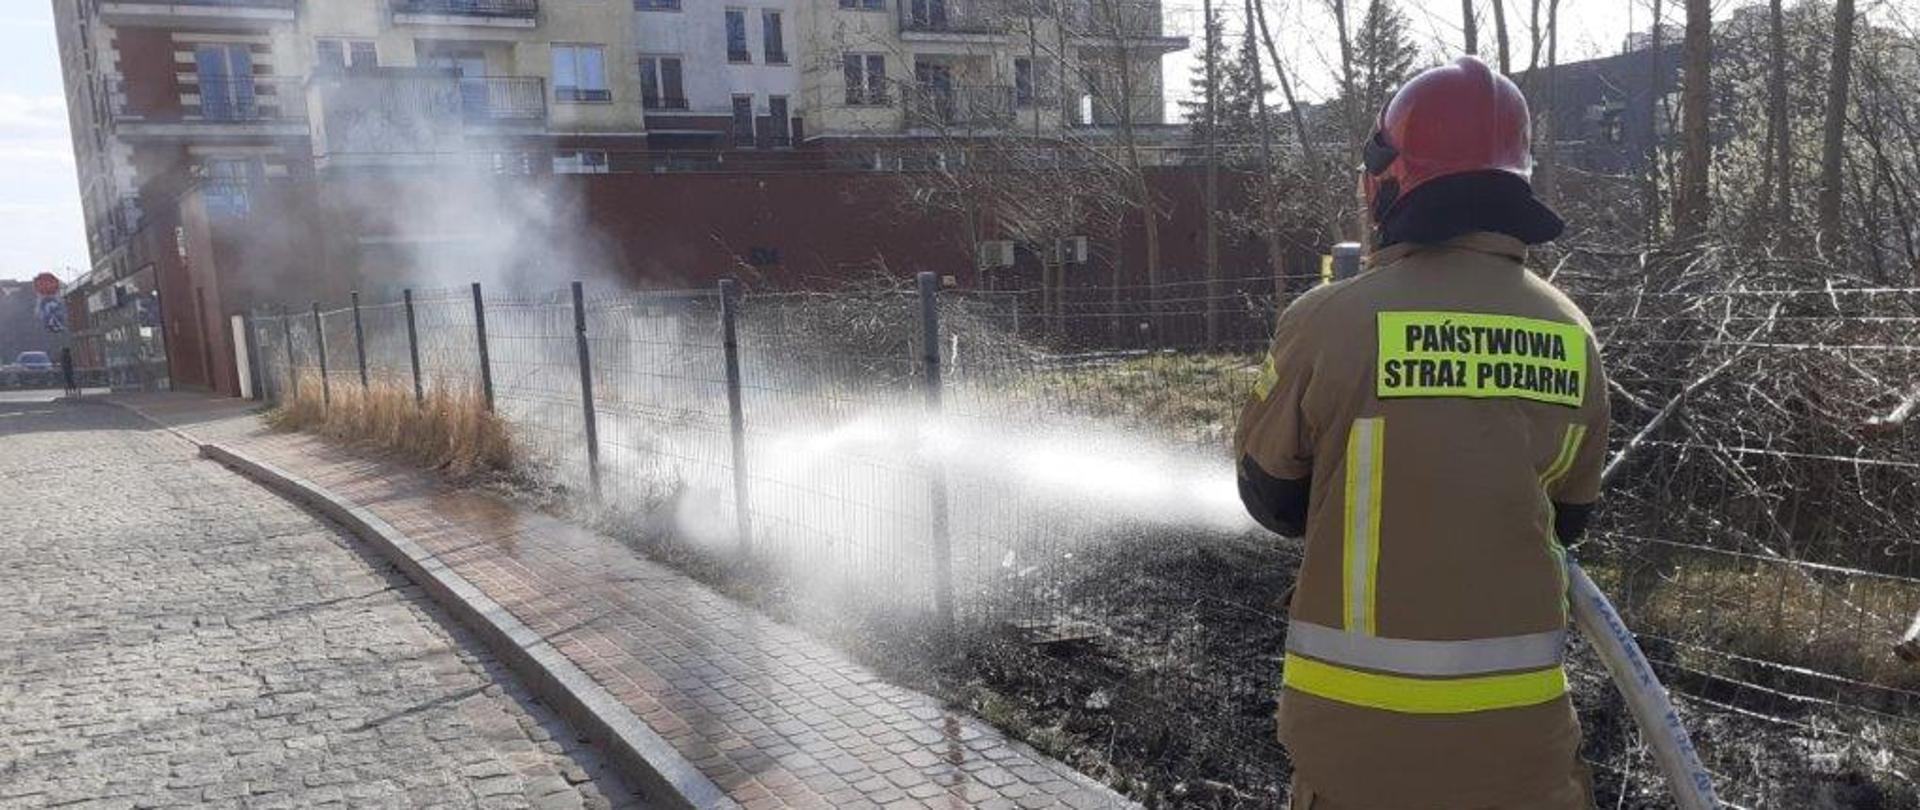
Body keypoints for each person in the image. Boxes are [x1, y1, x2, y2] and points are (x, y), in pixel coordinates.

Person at [1235, 55, 1610, 809]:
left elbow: (1270, 496)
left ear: (1387, 180)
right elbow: (1569, 522)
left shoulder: (1330, 320)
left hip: (1358, 757)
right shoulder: (1571, 333)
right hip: (1522, 759)